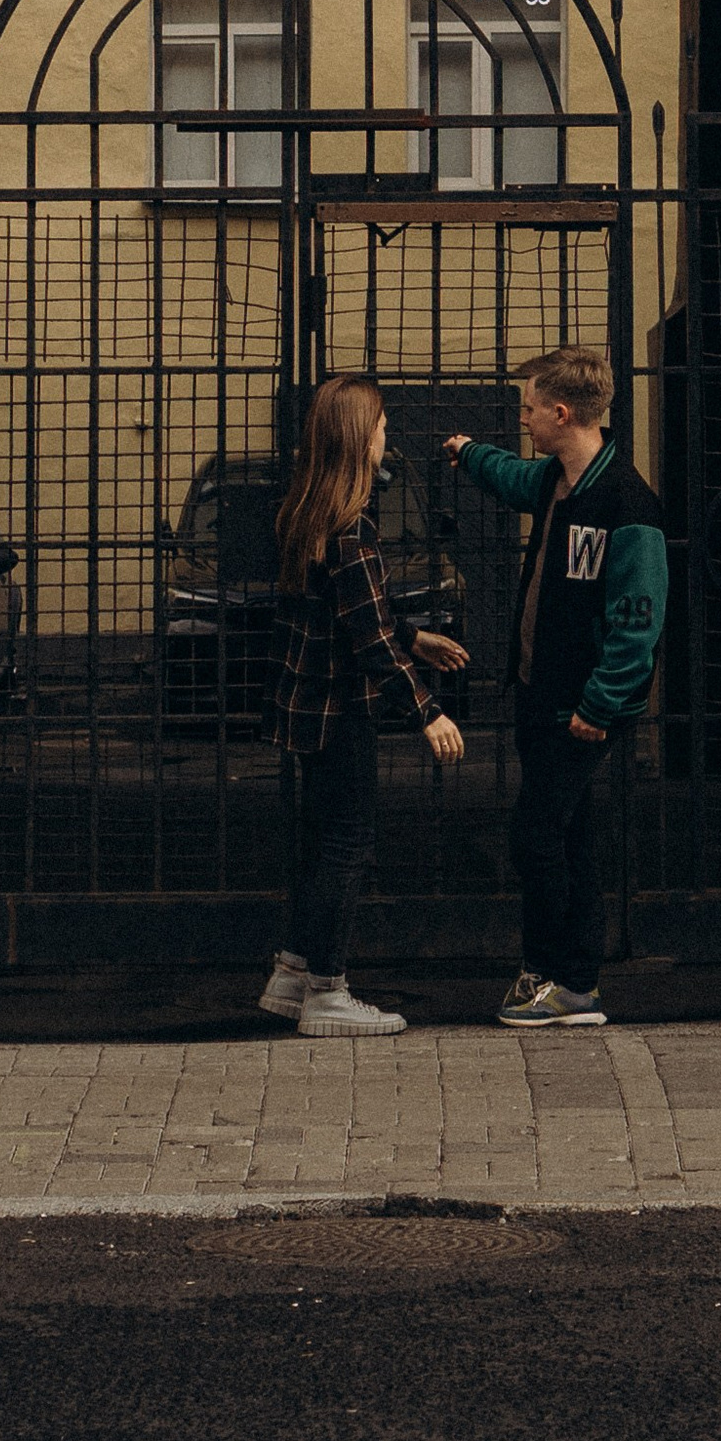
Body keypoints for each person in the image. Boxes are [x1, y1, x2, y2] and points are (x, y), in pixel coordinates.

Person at [445, 345, 666, 1030]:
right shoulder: (557, 482)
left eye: (529, 408)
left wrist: (599, 706)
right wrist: (467, 451)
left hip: (580, 709)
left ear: (561, 412)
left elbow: (638, 622)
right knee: (569, 836)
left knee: (536, 835)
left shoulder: (626, 503)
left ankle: (556, 976)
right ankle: (574, 983)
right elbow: (510, 476)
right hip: (543, 696)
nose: (524, 418)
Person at [262, 373, 468, 1039]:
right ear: (358, 437)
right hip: (338, 710)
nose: (388, 435)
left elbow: (355, 613)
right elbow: (370, 638)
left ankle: (293, 974)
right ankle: (328, 990)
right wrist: (427, 711)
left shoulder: (305, 512)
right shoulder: (351, 527)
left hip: (305, 708)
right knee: (349, 843)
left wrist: (417, 636)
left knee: (324, 842)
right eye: (381, 425)